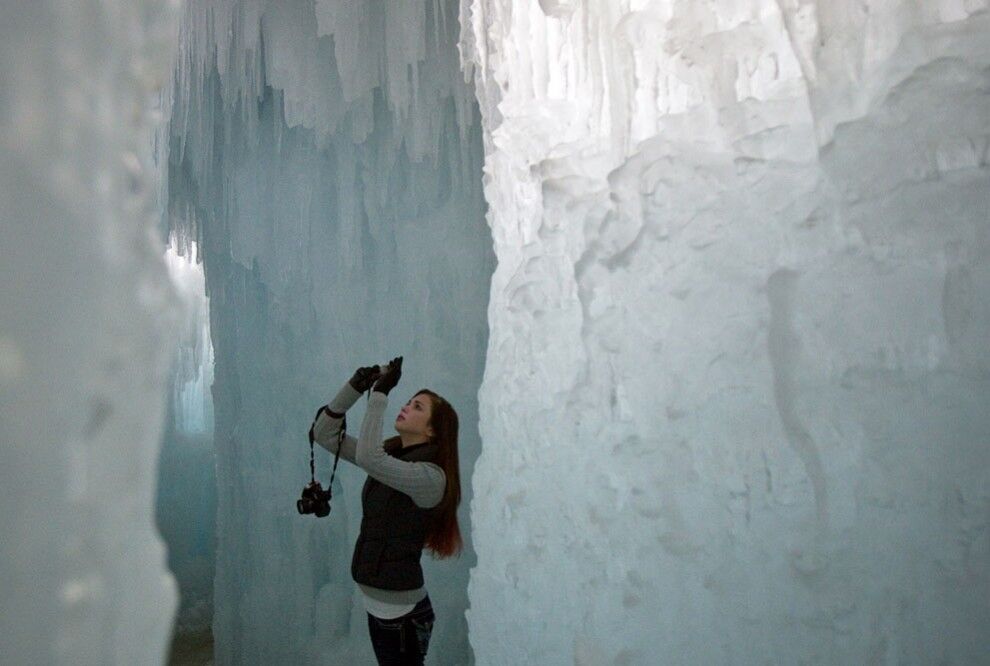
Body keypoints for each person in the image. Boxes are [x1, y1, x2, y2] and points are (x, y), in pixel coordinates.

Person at [308, 356, 462, 665]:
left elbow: (369, 457)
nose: (406, 406)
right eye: (408, 401)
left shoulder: (431, 478)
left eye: (418, 407)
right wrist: (355, 387)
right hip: (382, 610)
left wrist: (380, 394)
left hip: (403, 617)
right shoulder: (393, 459)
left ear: (432, 431)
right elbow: (323, 435)